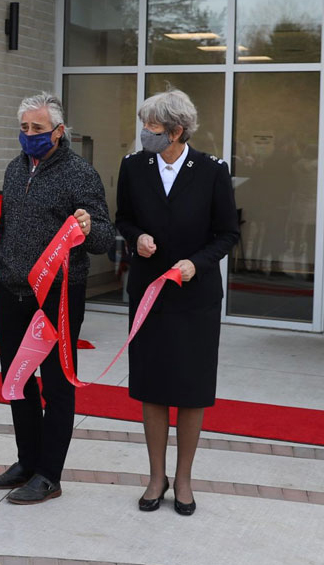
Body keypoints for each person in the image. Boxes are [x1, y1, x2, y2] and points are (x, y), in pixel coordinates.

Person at [0, 93, 113, 504]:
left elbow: (104, 239)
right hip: (13, 290)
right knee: (16, 381)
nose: (29, 135)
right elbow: (7, 225)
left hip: (58, 296)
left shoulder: (80, 175)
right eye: (24, 128)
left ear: (59, 131)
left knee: (56, 385)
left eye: (37, 128)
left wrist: (89, 226)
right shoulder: (17, 168)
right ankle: (27, 462)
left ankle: (49, 474)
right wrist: (0, 266)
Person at [115, 89, 239, 516]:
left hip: (195, 297)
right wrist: (136, 238)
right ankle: (156, 476)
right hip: (149, 294)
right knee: (151, 387)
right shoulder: (133, 167)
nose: (145, 133)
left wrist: (196, 264)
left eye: (152, 127)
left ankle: (183, 479)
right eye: (145, 125)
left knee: (190, 391)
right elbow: (123, 218)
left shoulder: (211, 171)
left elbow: (227, 233)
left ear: (177, 131)